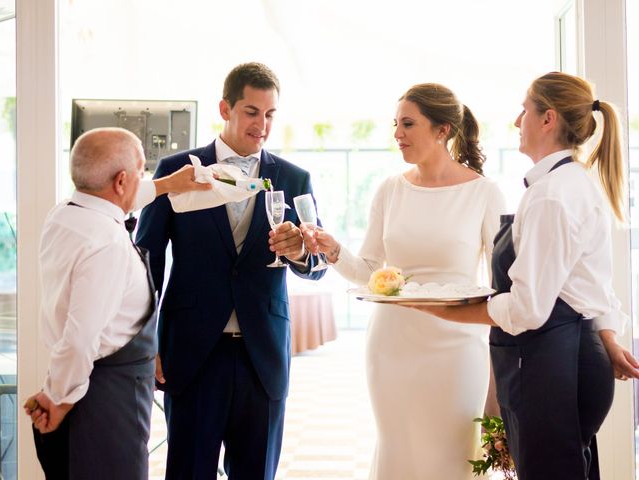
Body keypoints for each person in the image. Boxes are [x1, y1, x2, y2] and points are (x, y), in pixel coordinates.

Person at [405, 71, 639, 480]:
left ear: (547, 119)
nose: (517, 122)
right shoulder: (570, 184)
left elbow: (530, 309)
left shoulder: (551, 195)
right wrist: (607, 339)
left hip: (552, 366)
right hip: (572, 358)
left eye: (524, 111)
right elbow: (590, 288)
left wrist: (446, 309)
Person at [301, 83, 506, 479]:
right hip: (392, 348)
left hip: (458, 350)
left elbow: (501, 286)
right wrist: (333, 249)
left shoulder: (484, 193)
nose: (398, 134)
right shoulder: (390, 190)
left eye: (408, 124)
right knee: (399, 454)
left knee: (456, 458)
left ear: (443, 129)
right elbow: (371, 273)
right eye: (395, 124)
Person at [135, 62, 326, 480]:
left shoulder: (293, 178)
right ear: (225, 108)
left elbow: (318, 262)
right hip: (192, 352)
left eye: (271, 114)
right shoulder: (176, 170)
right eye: (252, 112)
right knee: (188, 471)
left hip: (263, 355)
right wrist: (146, 342)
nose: (263, 124)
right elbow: (147, 261)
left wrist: (300, 253)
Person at [23, 127, 210, 479]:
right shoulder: (106, 242)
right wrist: (60, 401)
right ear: (122, 180)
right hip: (103, 406)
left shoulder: (65, 214)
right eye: (141, 171)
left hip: (80, 388)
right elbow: (80, 340)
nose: (145, 178)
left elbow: (114, 197)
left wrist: (167, 184)